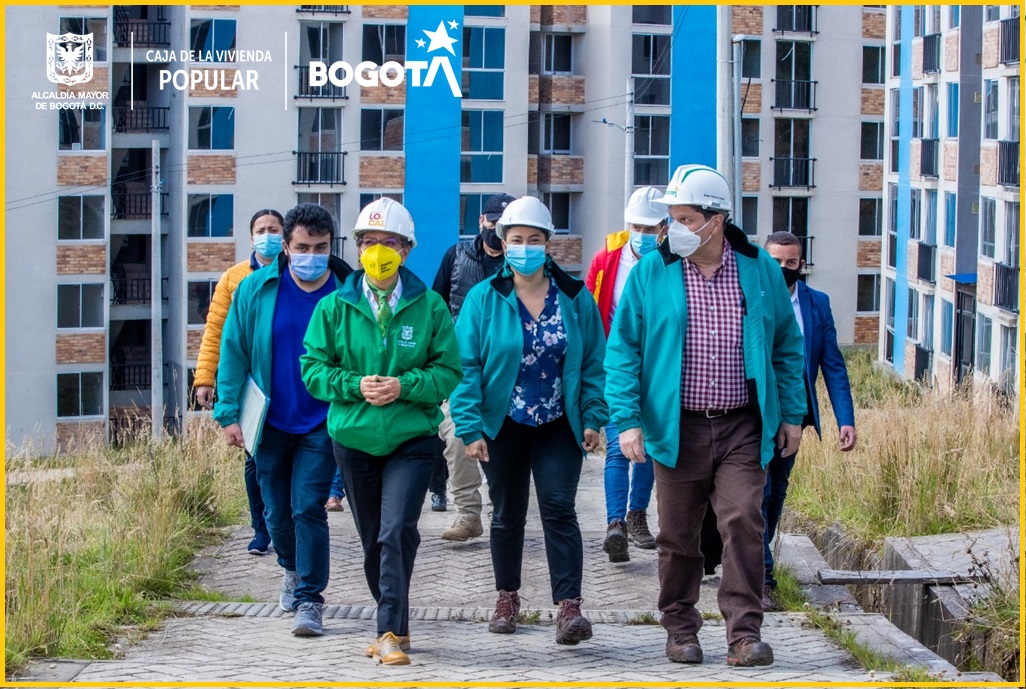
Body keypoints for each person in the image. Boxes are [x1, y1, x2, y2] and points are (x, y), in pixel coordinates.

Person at [604, 165, 806, 667]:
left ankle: (743, 635)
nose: (672, 228)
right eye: (670, 217)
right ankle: (680, 628)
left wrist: (793, 414)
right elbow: (623, 350)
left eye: (685, 217)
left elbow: (786, 346)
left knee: (743, 521)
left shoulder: (759, 269)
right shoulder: (654, 271)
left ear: (716, 219)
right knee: (677, 534)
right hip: (679, 427)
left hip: (743, 423)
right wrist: (627, 419)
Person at [301, 198, 462, 666]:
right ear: (357, 248)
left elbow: (448, 371)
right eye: (368, 243)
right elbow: (312, 369)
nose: (377, 251)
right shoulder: (334, 307)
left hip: (412, 440)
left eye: (387, 243)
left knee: (397, 531)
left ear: (406, 250)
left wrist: (404, 386)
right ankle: (397, 617)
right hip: (353, 439)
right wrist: (353, 385)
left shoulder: (429, 306)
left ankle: (387, 630)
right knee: (373, 538)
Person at [450, 196, 608, 646]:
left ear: (547, 244)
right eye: (515, 239)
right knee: (507, 514)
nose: (524, 247)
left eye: (533, 239)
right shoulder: (484, 298)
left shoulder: (576, 297)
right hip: (503, 424)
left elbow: (594, 363)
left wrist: (595, 416)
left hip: (559, 422)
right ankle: (507, 597)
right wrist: (470, 427)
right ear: (503, 242)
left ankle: (569, 608)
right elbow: (466, 368)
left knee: (559, 508)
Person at [213, 203, 353, 638]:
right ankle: (290, 569)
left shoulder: (348, 290)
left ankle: (310, 599)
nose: (312, 255)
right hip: (268, 420)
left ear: (332, 246)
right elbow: (233, 350)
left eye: (321, 247)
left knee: (307, 507)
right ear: (287, 248)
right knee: (275, 512)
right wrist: (227, 412)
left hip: (323, 420)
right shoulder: (256, 288)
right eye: (302, 247)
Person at [760, 231, 857, 609]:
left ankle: (753, 555)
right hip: (755, 414)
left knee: (777, 494)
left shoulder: (817, 304)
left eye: (791, 262)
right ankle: (762, 577)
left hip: (796, 416)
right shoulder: (751, 297)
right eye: (775, 261)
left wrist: (844, 419)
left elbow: (833, 365)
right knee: (759, 492)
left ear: (802, 264)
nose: (783, 268)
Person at [193, 209, 284, 556]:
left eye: (274, 229)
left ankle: (286, 522)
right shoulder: (234, 278)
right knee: (253, 458)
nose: (268, 235)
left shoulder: (294, 274)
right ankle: (261, 528)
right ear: (251, 238)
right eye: (261, 230)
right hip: (249, 386)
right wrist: (205, 378)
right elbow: (217, 331)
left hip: (285, 379)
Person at [584, 186, 667, 562]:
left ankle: (637, 514)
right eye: (638, 226)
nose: (644, 234)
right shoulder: (606, 261)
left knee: (646, 448)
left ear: (664, 228)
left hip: (657, 370)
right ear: (627, 224)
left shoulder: (672, 263)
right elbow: (588, 310)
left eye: (652, 228)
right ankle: (615, 522)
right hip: (615, 366)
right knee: (618, 444)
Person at [432, 193, 515, 541]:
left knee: (503, 439)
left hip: (505, 369)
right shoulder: (457, 255)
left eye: (503, 224)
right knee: (455, 435)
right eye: (492, 221)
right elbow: (435, 305)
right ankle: (468, 512)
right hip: (459, 365)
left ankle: (504, 509)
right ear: (481, 220)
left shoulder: (523, 262)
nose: (496, 229)